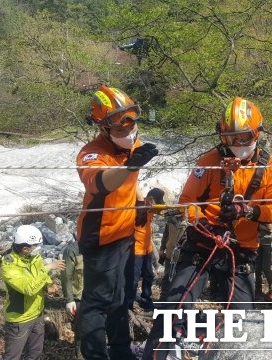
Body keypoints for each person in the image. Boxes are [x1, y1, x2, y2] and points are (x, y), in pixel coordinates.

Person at [142, 97, 272, 360]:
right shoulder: (209, 161)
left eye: (243, 137)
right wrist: (204, 222)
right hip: (203, 245)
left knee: (243, 318)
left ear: (257, 133)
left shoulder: (271, 168)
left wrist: (249, 211)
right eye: (231, 138)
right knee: (174, 304)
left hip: (240, 250)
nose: (237, 145)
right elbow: (187, 201)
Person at [76, 84, 159, 360]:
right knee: (97, 302)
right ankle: (95, 355)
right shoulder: (92, 153)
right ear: (103, 127)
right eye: (120, 127)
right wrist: (129, 166)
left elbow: (130, 183)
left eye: (131, 122)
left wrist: (139, 204)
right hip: (100, 237)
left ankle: (122, 351)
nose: (128, 131)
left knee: (121, 298)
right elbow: (101, 183)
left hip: (124, 234)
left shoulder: (131, 146)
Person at [1, 225, 66, 360]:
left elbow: (39, 272)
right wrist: (48, 267)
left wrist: (49, 284)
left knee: (35, 353)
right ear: (25, 248)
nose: (37, 248)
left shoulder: (33, 258)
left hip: (37, 314)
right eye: (35, 245)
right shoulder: (9, 264)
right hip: (20, 319)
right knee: (12, 356)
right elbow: (29, 288)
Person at [128, 187, 165, 313]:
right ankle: (128, 304)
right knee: (133, 278)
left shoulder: (151, 208)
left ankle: (146, 300)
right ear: (150, 198)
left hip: (147, 248)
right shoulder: (138, 207)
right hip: (136, 249)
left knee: (149, 275)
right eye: (155, 201)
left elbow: (163, 210)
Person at [60, 240, 84, 360]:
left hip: (97, 296)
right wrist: (69, 299)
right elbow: (66, 276)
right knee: (81, 330)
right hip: (79, 297)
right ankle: (80, 354)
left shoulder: (101, 246)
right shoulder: (72, 250)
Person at [157, 208, 186, 298]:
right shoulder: (171, 221)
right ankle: (164, 297)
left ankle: (175, 299)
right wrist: (162, 248)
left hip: (182, 256)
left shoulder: (189, 224)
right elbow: (165, 236)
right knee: (167, 276)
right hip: (169, 253)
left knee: (179, 278)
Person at [254, 223, 272, 301]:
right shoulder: (259, 212)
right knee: (258, 268)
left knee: (266, 268)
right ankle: (258, 290)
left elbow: (270, 228)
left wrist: (261, 226)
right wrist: (260, 226)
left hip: (269, 243)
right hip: (258, 242)